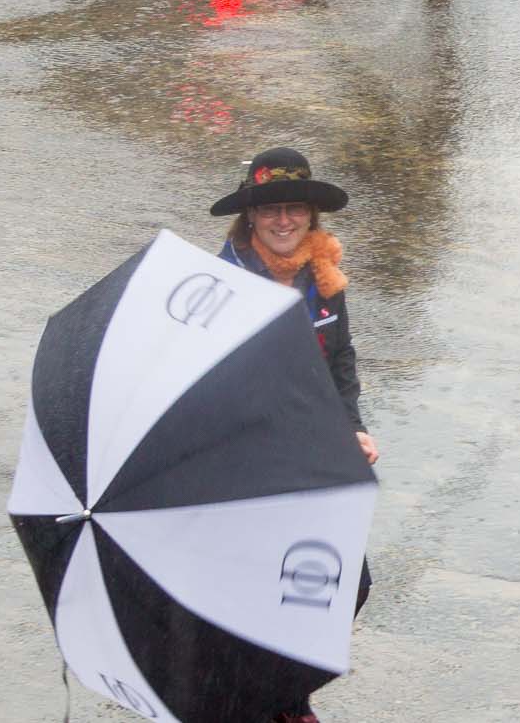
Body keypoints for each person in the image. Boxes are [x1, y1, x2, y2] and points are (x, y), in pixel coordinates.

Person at [209, 146, 375, 723]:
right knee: (262, 586)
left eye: (295, 209)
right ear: (249, 218)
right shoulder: (221, 286)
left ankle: (281, 695)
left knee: (347, 581)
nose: (284, 221)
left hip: (310, 454)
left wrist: (351, 426)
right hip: (241, 463)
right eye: (270, 210)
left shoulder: (324, 276)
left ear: (311, 216)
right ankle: (260, 701)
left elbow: (342, 365)